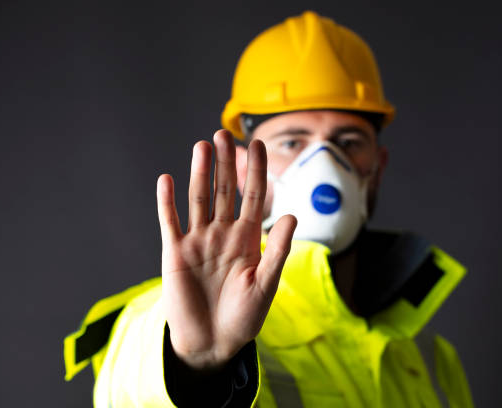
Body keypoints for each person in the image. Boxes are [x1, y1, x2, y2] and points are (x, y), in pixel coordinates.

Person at [63, 11, 474, 407]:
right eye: (292, 143)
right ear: (244, 170)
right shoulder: (182, 316)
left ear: (377, 168)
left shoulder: (428, 357)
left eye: (348, 142)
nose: (325, 165)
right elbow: (134, 388)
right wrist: (197, 367)